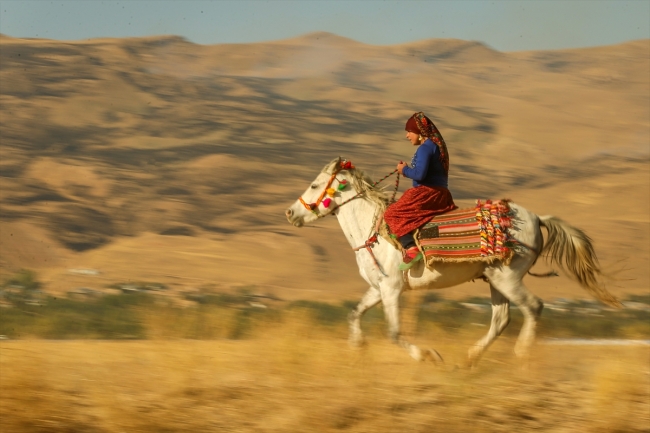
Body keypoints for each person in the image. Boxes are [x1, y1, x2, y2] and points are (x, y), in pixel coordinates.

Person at [384, 112, 457, 270]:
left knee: (391, 213)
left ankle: (410, 248)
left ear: (419, 132)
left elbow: (419, 174)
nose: (407, 135)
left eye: (409, 131)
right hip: (441, 193)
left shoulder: (425, 148)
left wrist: (404, 170)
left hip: (426, 192)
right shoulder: (434, 146)